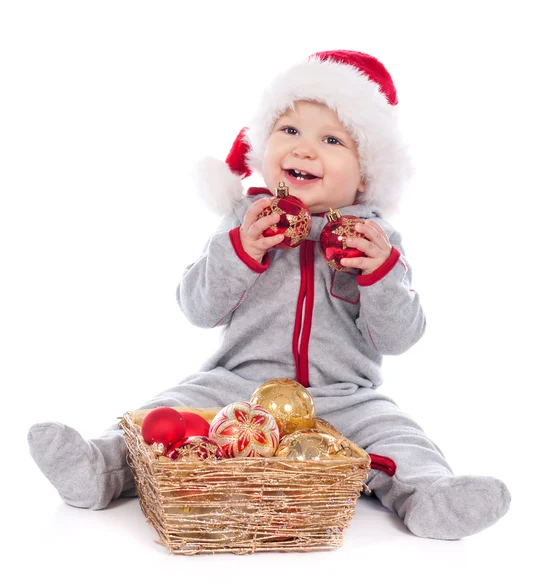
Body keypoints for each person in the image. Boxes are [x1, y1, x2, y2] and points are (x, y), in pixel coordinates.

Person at [27, 49, 510, 540]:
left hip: (345, 396)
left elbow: (399, 338)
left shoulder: (376, 239)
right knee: (163, 416)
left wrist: (380, 272)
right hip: (236, 384)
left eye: (330, 139)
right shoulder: (244, 221)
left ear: (365, 174)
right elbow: (197, 308)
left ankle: (432, 498)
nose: (303, 150)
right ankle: (98, 468)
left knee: (400, 439)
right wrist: (241, 250)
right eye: (290, 131)